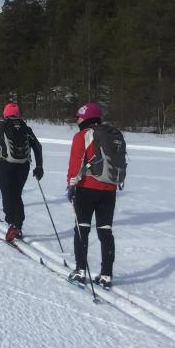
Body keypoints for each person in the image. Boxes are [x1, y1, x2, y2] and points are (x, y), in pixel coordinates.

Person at [66, 101, 118, 289]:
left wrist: (71, 185)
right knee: (105, 230)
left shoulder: (82, 136)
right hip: (109, 190)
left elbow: (76, 163)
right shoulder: (112, 135)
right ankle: (106, 275)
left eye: (79, 117)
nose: (77, 120)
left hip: (87, 187)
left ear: (86, 118)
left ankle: (80, 271)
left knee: (82, 228)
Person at [0, 103, 44, 241]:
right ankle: (18, 226)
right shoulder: (26, 128)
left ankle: (12, 223)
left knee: (7, 194)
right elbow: (38, 147)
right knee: (16, 195)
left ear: (5, 113)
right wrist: (39, 166)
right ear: (18, 114)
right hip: (23, 166)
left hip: (5, 164)